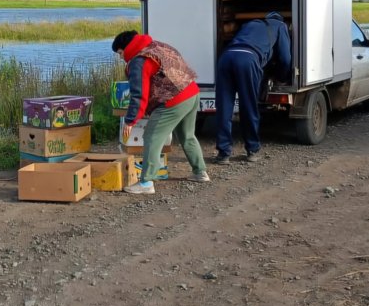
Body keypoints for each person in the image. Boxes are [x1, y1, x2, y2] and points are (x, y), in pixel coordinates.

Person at [112, 29, 209, 194]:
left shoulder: (139, 60)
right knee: (187, 135)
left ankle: (146, 183)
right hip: (192, 91)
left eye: (120, 53)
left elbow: (139, 94)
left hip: (173, 99)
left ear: (127, 47)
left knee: (151, 136)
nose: (121, 57)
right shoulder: (157, 46)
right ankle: (200, 172)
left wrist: (130, 120)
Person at [214, 11, 292, 163]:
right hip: (247, 59)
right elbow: (284, 58)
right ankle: (252, 150)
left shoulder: (251, 24)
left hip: (226, 57)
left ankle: (223, 153)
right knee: (248, 106)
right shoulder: (280, 26)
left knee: (224, 107)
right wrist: (282, 76)